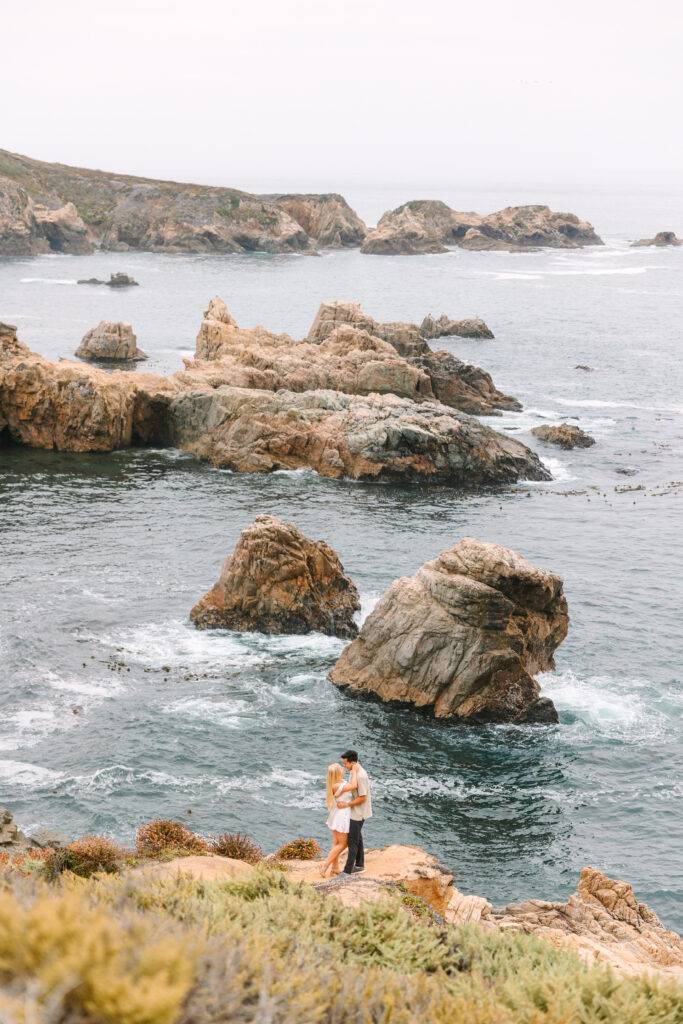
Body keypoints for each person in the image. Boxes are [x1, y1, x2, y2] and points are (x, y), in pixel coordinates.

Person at [336, 749, 372, 875]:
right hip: (357, 812)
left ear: (352, 763)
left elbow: (363, 797)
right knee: (358, 838)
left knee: (352, 842)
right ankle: (360, 866)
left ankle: (347, 871)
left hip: (358, 813)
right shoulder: (356, 772)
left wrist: (346, 804)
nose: (344, 766)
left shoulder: (360, 776)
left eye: (345, 763)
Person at [319, 761, 357, 877]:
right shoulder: (337, 785)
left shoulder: (339, 783)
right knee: (343, 844)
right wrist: (354, 770)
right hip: (342, 815)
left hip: (338, 813)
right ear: (337, 773)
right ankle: (325, 865)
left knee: (336, 843)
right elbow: (353, 786)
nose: (343, 767)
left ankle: (335, 868)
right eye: (340, 768)